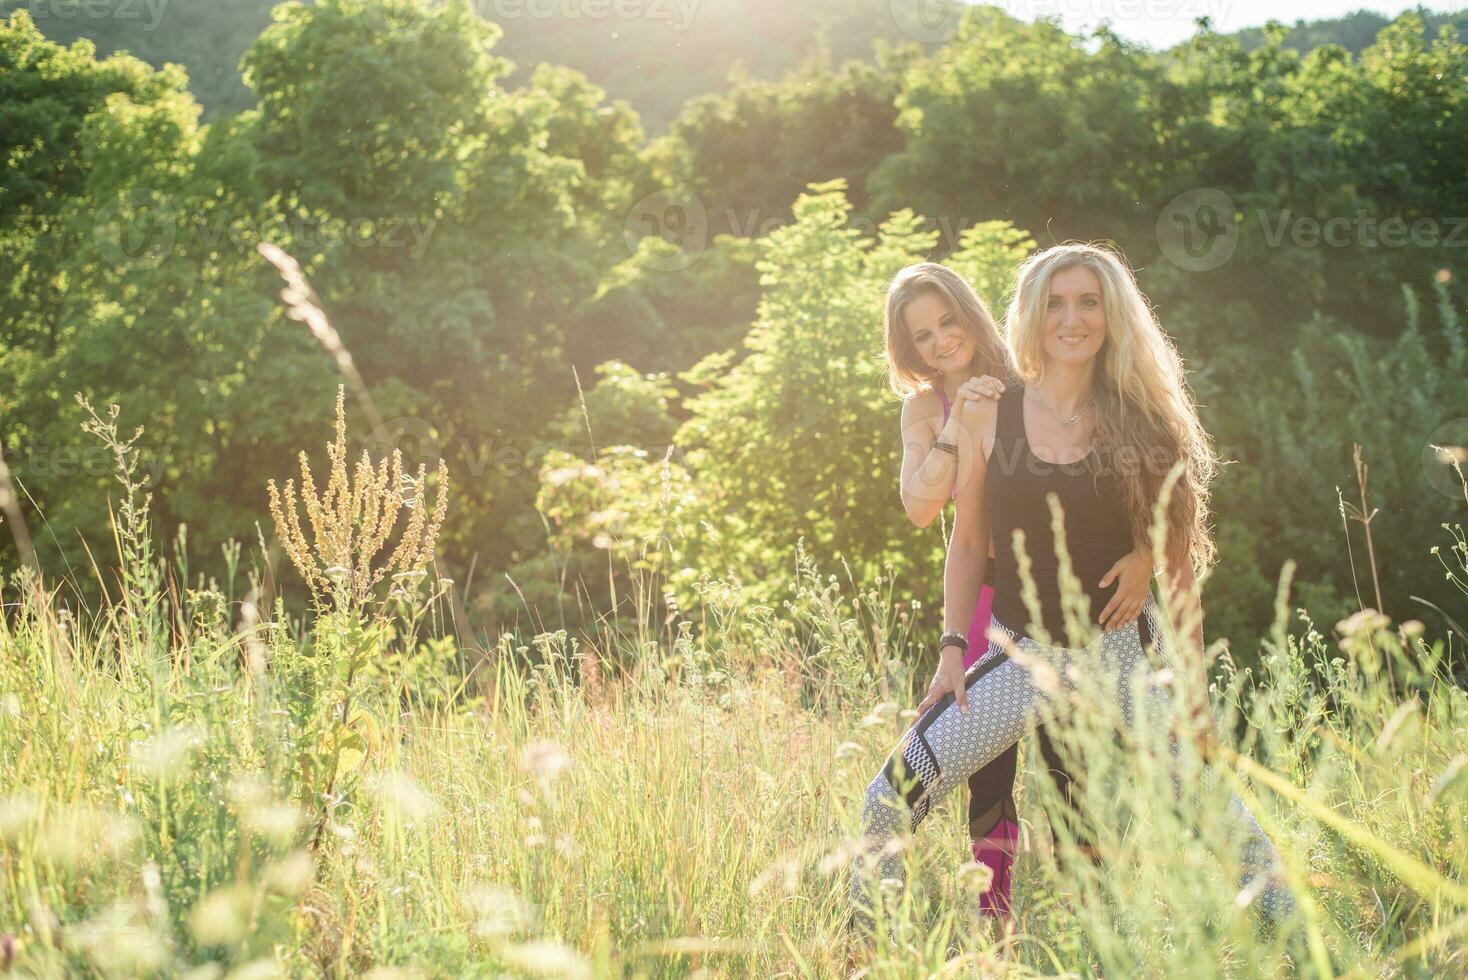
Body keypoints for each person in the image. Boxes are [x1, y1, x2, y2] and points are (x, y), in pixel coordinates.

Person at [852, 243, 1294, 934]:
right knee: (888, 800)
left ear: (1112, 314)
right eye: (1056, 302)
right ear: (1031, 312)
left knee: (1224, 824)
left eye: (1089, 302)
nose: (1072, 318)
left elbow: (1177, 568)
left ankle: (1315, 949)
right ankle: (870, 951)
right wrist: (949, 652)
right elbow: (967, 543)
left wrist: (1194, 698)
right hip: (1026, 661)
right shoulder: (990, 409)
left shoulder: (1147, 421)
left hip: (1123, 663)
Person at [883, 263, 1153, 918]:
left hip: (1054, 601)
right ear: (909, 350)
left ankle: (1086, 911)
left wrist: (1144, 550)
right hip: (982, 598)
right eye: (923, 336)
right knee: (987, 769)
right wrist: (957, 422)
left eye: (948, 320)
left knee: (1069, 760)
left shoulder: (1030, 378)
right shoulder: (927, 408)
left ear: (972, 313)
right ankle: (993, 915)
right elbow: (922, 509)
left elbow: (1127, 480)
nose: (942, 340)